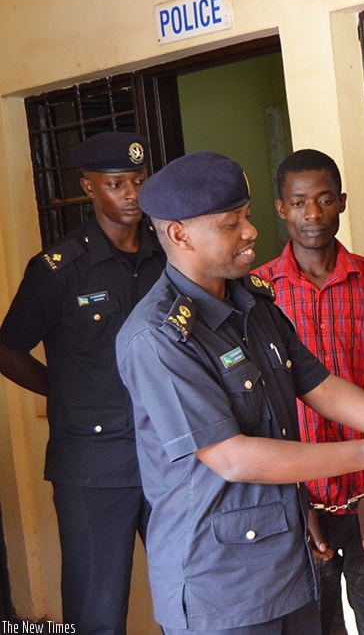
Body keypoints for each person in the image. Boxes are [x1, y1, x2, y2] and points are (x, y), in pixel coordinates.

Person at [115, 150, 364, 635]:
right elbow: (233, 458)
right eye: (230, 223)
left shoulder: (252, 301)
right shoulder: (160, 337)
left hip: (284, 561)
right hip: (221, 581)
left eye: (247, 217)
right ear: (180, 233)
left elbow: (320, 386)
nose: (250, 231)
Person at [0, 131, 164, 634]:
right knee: (97, 610)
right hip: (93, 467)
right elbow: (7, 348)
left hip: (167, 455)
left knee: (189, 593)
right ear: (89, 187)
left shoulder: (169, 256)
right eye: (117, 183)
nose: (132, 194)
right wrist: (63, 390)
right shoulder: (59, 269)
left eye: (138, 181)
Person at [253, 149, 364, 635]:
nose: (313, 214)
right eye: (300, 202)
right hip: (296, 511)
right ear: (281, 208)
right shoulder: (257, 291)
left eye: (324, 200)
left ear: (342, 202)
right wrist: (298, 502)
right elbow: (259, 411)